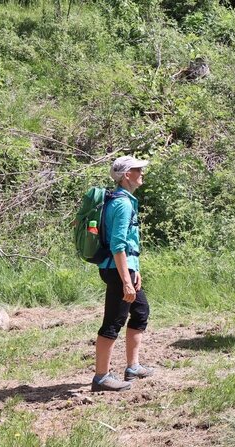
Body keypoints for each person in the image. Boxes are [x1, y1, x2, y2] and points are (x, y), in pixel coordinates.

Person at [92, 155, 155, 392]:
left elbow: (129, 243)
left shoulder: (123, 199)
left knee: (140, 311)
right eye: (138, 170)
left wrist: (135, 270)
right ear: (127, 175)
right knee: (113, 322)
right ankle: (101, 378)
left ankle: (133, 367)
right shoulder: (122, 204)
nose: (142, 174)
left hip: (125, 268)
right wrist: (127, 281)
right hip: (117, 270)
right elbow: (118, 245)